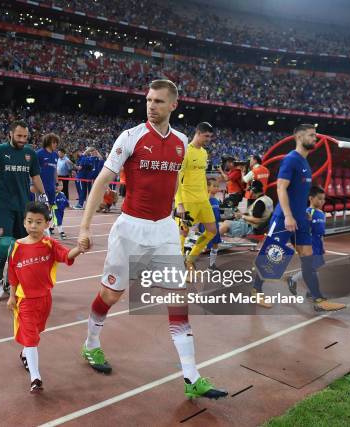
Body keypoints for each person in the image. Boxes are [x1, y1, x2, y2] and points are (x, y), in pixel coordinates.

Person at [77, 79, 227, 399]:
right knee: (111, 294)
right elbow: (102, 181)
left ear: (173, 105)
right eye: (148, 100)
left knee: (178, 297)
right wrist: (85, 227)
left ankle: (191, 376)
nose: (151, 106)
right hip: (130, 228)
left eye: (159, 101)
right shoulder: (130, 137)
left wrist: (175, 208)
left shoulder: (182, 142)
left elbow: (172, 181)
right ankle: (91, 344)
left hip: (164, 229)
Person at [252, 124, 345, 312]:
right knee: (272, 256)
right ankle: (256, 290)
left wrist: (302, 216)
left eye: (315, 136)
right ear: (299, 137)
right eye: (311, 135)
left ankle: (318, 299)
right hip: (284, 219)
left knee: (308, 259)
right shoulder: (291, 160)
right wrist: (288, 216)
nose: (315, 139)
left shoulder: (305, 163)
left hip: (301, 220)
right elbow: (281, 188)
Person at [7, 202, 84, 393]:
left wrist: (80, 248)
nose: (33, 226)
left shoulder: (50, 245)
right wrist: (11, 296)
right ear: (24, 222)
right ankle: (35, 377)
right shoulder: (17, 247)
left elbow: (67, 256)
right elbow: (12, 274)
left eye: (38, 222)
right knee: (31, 336)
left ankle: (25, 354)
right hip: (24, 300)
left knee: (37, 331)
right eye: (30, 221)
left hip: (45, 299)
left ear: (47, 224)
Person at [0, 120, 46, 300]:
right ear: (10, 134)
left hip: (24, 207)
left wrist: (44, 196)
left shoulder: (30, 153)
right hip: (4, 205)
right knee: (4, 243)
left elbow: (36, 176)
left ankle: (11, 279)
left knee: (18, 247)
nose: (23, 139)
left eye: (25, 136)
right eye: (19, 136)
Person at [175, 122, 217, 278]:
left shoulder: (204, 153)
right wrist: (179, 204)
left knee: (212, 230)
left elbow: (201, 176)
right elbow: (177, 178)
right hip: (187, 201)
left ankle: (189, 259)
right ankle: (179, 268)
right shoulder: (185, 151)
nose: (208, 139)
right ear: (198, 133)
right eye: (206, 136)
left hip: (203, 200)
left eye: (210, 137)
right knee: (183, 233)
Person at [287, 186, 329, 299]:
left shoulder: (322, 214)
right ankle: (294, 280)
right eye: (319, 199)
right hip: (309, 245)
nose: (322, 201)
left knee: (315, 268)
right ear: (311, 198)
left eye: (323, 199)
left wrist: (322, 245)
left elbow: (321, 233)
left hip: (318, 244)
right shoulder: (306, 213)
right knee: (311, 268)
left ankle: (310, 290)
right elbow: (301, 230)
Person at [36, 133, 59, 234]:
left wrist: (57, 184)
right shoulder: (39, 154)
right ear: (48, 142)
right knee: (41, 207)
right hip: (41, 186)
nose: (55, 144)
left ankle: (47, 227)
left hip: (51, 186)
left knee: (50, 207)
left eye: (56, 142)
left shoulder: (55, 155)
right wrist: (33, 184)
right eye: (53, 142)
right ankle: (38, 229)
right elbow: (33, 170)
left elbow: (55, 171)